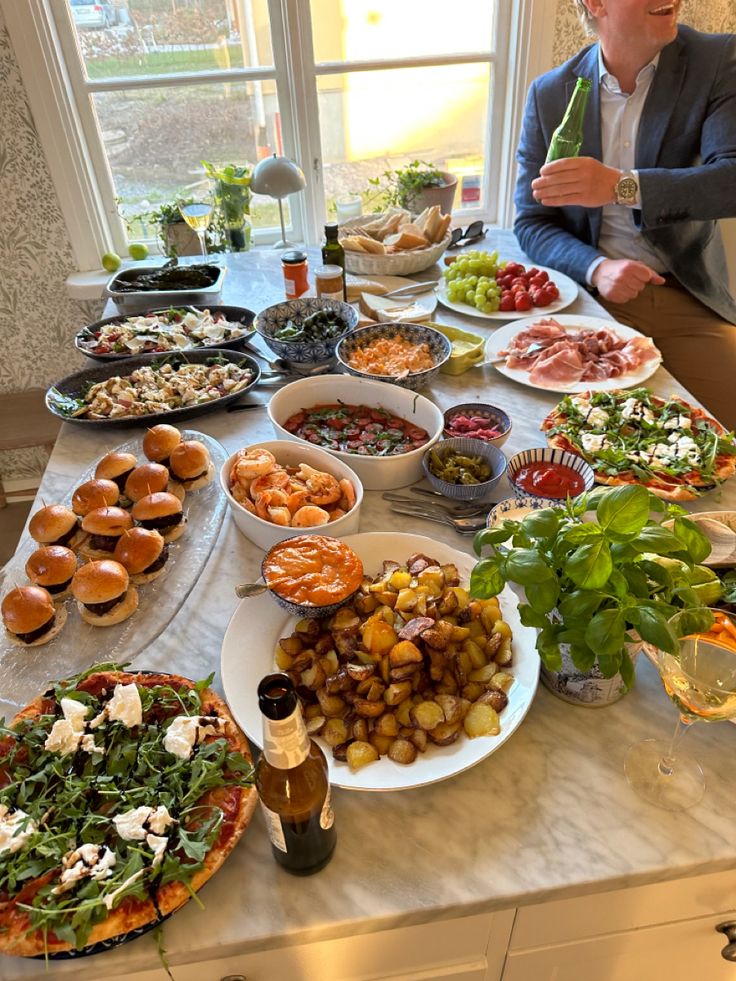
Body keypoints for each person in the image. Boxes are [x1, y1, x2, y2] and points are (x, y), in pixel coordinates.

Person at [513, 0, 736, 429]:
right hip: (589, 302)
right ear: (595, 3)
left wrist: (620, 185)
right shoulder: (550, 94)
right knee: (578, 436)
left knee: (723, 439)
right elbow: (532, 221)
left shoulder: (717, 60)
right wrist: (596, 268)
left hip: (684, 295)